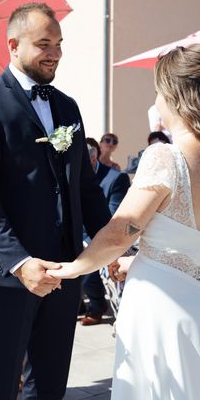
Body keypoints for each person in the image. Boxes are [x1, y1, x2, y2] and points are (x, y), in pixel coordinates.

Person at [48, 44, 200, 400]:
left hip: (164, 313)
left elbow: (120, 232)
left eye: (158, 93)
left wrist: (72, 269)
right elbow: (196, 243)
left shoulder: (165, 157)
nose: (156, 101)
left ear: (174, 96)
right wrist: (139, 260)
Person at [0, 2, 110, 400]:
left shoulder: (67, 106)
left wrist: (113, 246)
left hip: (66, 266)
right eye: (44, 43)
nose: (55, 52)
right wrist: (21, 263)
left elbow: (85, 188)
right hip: (7, 271)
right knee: (1, 385)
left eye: (58, 43)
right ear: (12, 45)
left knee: (50, 383)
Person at [80, 138, 130, 325]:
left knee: (87, 271)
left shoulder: (115, 179)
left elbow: (112, 216)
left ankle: (97, 305)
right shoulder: (73, 176)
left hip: (101, 233)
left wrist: (85, 239)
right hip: (78, 232)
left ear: (93, 160)